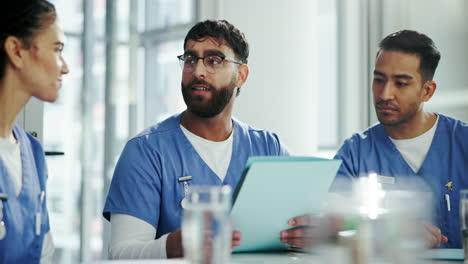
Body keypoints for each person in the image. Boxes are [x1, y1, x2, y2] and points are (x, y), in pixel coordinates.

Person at [103, 19, 289, 259]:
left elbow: (290, 231)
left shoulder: (269, 148)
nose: (198, 71)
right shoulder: (145, 151)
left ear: (241, 75)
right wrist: (177, 244)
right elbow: (121, 254)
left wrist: (304, 234)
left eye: (213, 61)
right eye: (190, 60)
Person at [330, 30, 468, 248]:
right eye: (378, 80)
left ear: (427, 91)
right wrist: (388, 228)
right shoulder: (354, 154)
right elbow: (329, 225)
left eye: (401, 83)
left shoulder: (463, 143)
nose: (384, 94)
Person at [0, 0, 69, 263]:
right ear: (16, 51)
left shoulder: (33, 152)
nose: (64, 67)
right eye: (57, 50)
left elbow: (43, 254)